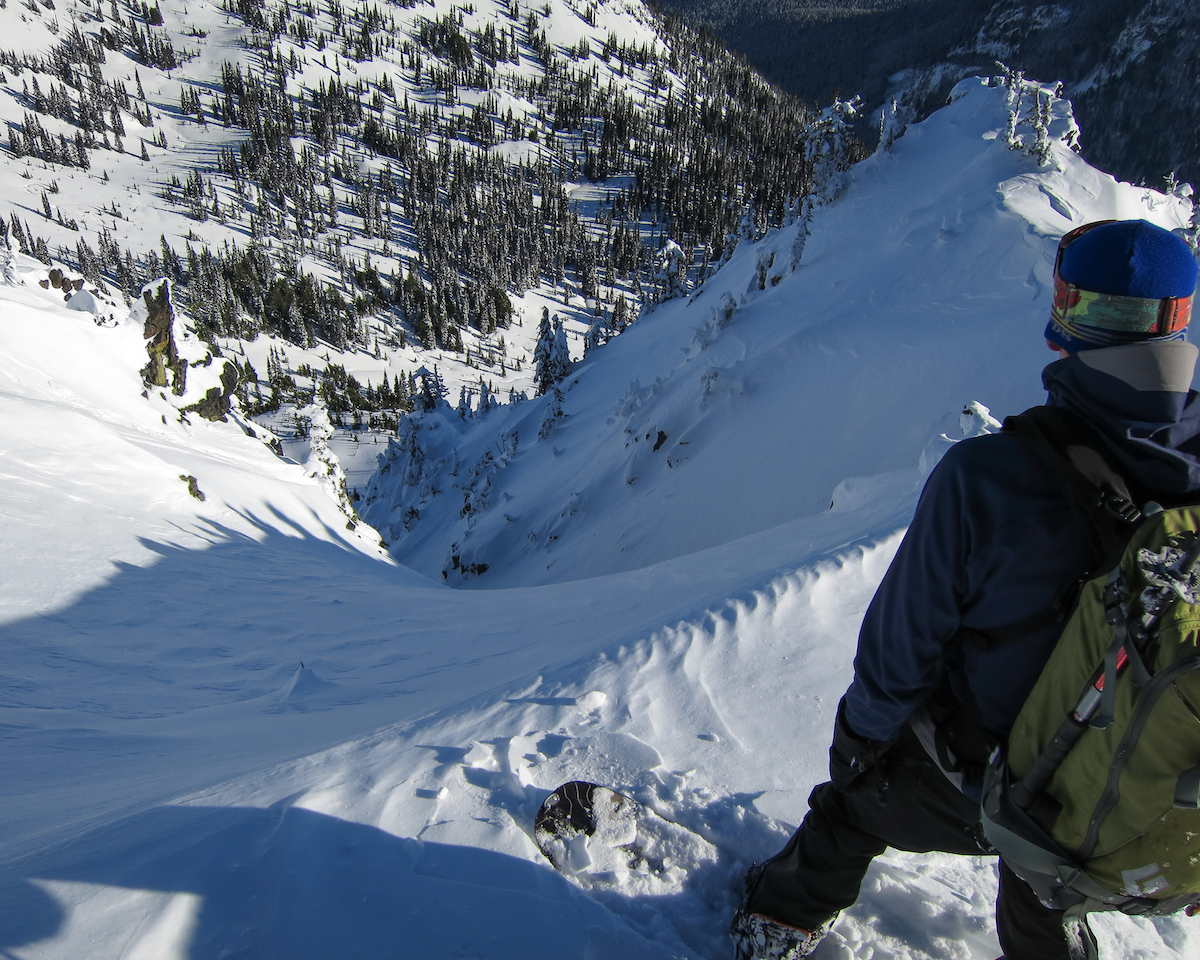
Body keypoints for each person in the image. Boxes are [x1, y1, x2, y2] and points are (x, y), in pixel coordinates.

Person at [730, 219, 1200, 960]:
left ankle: (778, 918)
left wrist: (856, 747)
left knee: (855, 807)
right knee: (1048, 846)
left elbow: (898, 652)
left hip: (980, 791)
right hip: (1141, 807)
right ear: (1180, 318)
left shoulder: (987, 479)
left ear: (1066, 319)